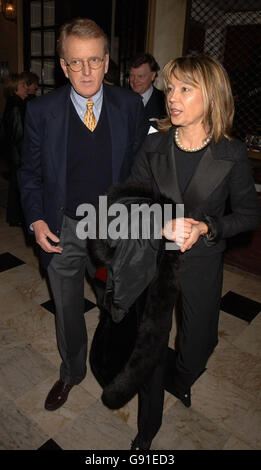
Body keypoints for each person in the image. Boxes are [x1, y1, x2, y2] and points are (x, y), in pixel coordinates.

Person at [126, 55, 261, 449]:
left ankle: (183, 377)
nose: (173, 97)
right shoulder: (153, 145)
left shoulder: (231, 153)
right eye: (171, 88)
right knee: (151, 346)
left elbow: (250, 213)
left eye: (186, 88)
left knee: (198, 345)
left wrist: (209, 227)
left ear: (212, 96)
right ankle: (147, 427)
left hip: (202, 265)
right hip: (155, 263)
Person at [18, 18, 147, 412]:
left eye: (94, 60)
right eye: (77, 62)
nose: (86, 71)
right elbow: (29, 172)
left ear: (107, 62)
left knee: (119, 304)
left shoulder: (129, 106)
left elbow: (140, 170)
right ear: (63, 65)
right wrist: (37, 219)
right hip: (62, 227)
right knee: (68, 308)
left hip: (114, 227)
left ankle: (113, 366)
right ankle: (72, 372)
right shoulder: (41, 111)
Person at [2, 73, 28, 226]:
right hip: (18, 155)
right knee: (19, 187)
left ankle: (14, 217)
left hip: (14, 154)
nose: (26, 88)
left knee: (15, 186)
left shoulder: (14, 104)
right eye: (23, 85)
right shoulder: (17, 106)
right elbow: (19, 136)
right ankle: (16, 218)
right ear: (15, 89)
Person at [129, 53, 166, 122]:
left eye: (140, 76)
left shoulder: (165, 101)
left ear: (153, 76)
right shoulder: (122, 99)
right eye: (132, 75)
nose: (135, 81)